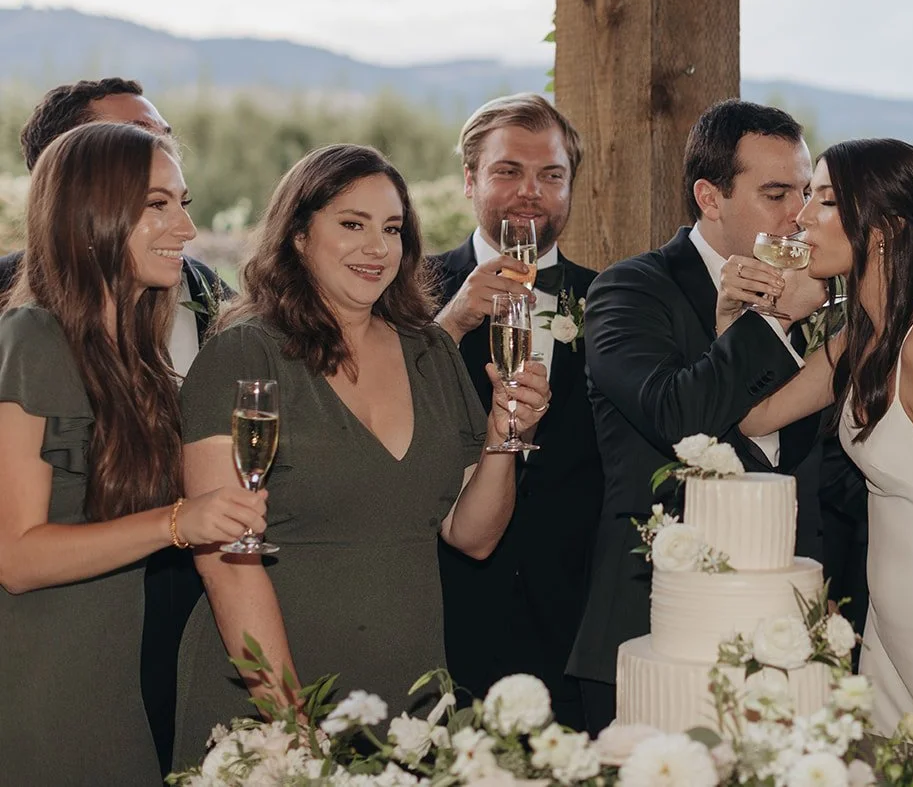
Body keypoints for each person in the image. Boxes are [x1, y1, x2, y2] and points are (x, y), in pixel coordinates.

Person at [172, 145, 536, 765]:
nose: (377, 247)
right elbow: (223, 562)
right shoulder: (242, 354)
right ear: (297, 235)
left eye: (392, 229)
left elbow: (473, 536)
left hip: (410, 699)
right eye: (352, 224)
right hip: (270, 703)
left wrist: (505, 432)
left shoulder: (431, 353)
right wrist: (292, 727)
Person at [727, 137, 913, 769]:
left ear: (885, 227)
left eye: (824, 200)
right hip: (889, 637)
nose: (801, 216)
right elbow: (755, 415)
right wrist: (751, 315)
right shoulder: (863, 338)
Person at [0, 123, 264, 785]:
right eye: (157, 204)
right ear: (90, 214)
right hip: (36, 694)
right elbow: (16, 558)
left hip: (113, 691)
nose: (187, 228)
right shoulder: (34, 338)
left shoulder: (136, 357)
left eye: (184, 203)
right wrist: (179, 520)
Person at [571, 100, 828, 731]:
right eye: (776, 194)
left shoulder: (822, 292)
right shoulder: (630, 290)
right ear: (710, 198)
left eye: (805, 192)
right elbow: (675, 416)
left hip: (785, 634)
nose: (798, 215)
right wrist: (771, 324)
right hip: (655, 628)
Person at [428, 94, 600, 726]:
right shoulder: (409, 291)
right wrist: (451, 320)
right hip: (440, 609)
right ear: (470, 179)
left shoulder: (611, 298)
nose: (531, 191)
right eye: (508, 171)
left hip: (573, 623)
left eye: (551, 174)